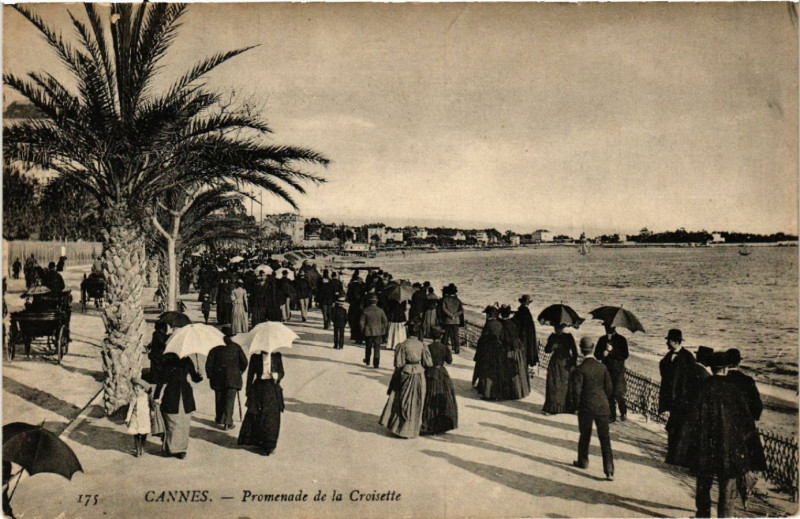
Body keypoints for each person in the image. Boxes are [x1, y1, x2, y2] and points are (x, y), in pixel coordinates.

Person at [671, 351, 767, 518]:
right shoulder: (734, 391)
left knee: (703, 485)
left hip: (705, 448)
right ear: (726, 368)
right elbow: (746, 423)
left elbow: (689, 419)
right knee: (727, 488)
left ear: (711, 368)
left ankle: (703, 515)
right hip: (729, 448)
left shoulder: (701, 388)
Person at [571, 336, 615, 480]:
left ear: (580, 349)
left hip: (586, 407)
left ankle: (583, 462)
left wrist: (576, 406)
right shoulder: (602, 367)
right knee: (605, 438)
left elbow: (576, 392)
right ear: (593, 347)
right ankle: (609, 470)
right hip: (602, 406)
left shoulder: (580, 369)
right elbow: (609, 389)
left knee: (585, 435)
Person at [726, 348, 764, 509]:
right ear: (739, 362)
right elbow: (758, 407)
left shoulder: (723, 380)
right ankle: (745, 488)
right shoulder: (748, 381)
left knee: (729, 467)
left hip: (727, 427)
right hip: (745, 428)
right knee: (751, 462)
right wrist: (752, 418)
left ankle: (731, 499)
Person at [379, 333, 433, 438]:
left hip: (406, 372)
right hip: (419, 373)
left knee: (402, 399)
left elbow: (398, 363)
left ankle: (401, 427)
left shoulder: (402, 345)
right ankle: (413, 429)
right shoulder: (422, 345)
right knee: (417, 399)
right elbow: (428, 363)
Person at [658, 328, 698, 464]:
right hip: (671, 398)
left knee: (679, 427)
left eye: (668, 340)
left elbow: (692, 379)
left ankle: (678, 456)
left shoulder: (688, 357)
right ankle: (672, 455)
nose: (666, 343)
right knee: (672, 427)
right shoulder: (668, 356)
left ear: (675, 342)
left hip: (682, 399)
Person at [155, 354, 203, 459]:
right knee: (184, 423)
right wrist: (199, 375)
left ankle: (169, 449)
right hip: (186, 395)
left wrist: (156, 397)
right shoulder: (187, 360)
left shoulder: (168, 361)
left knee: (171, 423)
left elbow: (161, 380)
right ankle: (181, 450)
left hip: (172, 394)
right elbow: (195, 378)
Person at [238, 350, 285, 455]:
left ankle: (270, 445)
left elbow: (282, 372)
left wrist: (277, 376)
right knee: (258, 415)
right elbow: (250, 375)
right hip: (259, 389)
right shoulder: (255, 358)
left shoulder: (277, 357)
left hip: (272, 389)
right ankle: (259, 442)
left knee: (272, 417)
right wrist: (248, 391)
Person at [205, 325, 249, 430]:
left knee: (219, 399)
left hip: (218, 378)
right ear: (231, 336)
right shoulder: (236, 347)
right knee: (229, 400)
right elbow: (244, 362)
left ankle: (219, 418)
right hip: (233, 378)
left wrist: (210, 376)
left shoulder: (215, 348)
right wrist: (239, 372)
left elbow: (209, 364)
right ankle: (227, 422)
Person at [420, 327, 458, 435]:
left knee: (430, 396)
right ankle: (442, 424)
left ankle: (429, 424)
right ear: (441, 336)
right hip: (442, 372)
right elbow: (449, 361)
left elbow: (423, 363)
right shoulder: (444, 347)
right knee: (444, 396)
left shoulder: (428, 347)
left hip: (431, 373)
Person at [593, 325, 629, 422]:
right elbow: (597, 355)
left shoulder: (621, 340)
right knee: (608, 393)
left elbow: (625, 355)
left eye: (609, 328)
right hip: (606, 370)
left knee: (618, 392)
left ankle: (623, 411)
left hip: (618, 371)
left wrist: (612, 351)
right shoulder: (602, 339)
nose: (607, 330)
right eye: (606, 328)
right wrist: (603, 354)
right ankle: (612, 416)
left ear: (614, 328)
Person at [542, 324, 578, 415]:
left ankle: (567, 407)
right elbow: (546, 350)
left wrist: (573, 364)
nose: (557, 329)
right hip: (555, 364)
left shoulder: (568, 337)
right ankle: (553, 408)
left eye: (560, 327)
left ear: (563, 327)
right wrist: (552, 346)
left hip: (566, 363)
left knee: (566, 385)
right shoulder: (552, 337)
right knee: (553, 384)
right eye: (556, 327)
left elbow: (575, 351)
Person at [500, 305, 530, 399]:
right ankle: (520, 392)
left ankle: (510, 393)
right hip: (517, 348)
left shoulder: (502, 324)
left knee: (507, 370)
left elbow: (503, 339)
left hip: (509, 349)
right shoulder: (513, 323)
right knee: (518, 371)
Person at [126, 377, 152, 457]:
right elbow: (130, 408)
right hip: (135, 418)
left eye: (138, 390)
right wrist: (128, 419)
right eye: (135, 390)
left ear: (143, 389)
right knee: (136, 434)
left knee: (144, 433)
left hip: (144, 419)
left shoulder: (147, 397)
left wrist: (151, 416)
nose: (136, 392)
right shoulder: (134, 398)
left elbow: (151, 407)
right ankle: (137, 449)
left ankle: (142, 448)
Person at [360, 295, 388, 368]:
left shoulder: (365, 310)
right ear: (376, 302)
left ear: (369, 302)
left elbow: (361, 323)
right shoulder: (380, 310)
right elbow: (385, 321)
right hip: (378, 331)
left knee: (368, 346)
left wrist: (363, 331)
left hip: (368, 331)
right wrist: (381, 328)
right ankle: (376, 363)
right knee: (377, 348)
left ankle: (367, 360)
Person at [512, 294, 538, 370]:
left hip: (521, 337)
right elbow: (528, 327)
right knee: (525, 356)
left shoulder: (520, 311)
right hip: (525, 338)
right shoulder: (526, 311)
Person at [439, 284, 463, 353]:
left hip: (448, 320)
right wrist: (455, 315)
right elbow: (461, 310)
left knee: (446, 335)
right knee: (456, 335)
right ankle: (457, 349)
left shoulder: (445, 299)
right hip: (456, 320)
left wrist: (450, 315)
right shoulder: (458, 300)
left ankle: (443, 348)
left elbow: (444, 309)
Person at [146, 322, 170, 388]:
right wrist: (168, 337)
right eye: (165, 328)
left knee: (156, 368)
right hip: (158, 356)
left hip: (156, 355)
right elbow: (162, 344)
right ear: (161, 329)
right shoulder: (158, 336)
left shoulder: (156, 334)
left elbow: (151, 344)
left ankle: (156, 378)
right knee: (158, 368)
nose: (166, 330)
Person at [346, 271, 366, 344]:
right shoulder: (363, 286)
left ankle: (355, 337)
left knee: (353, 322)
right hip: (361, 306)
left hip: (353, 306)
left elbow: (348, 297)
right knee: (361, 322)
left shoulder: (351, 285)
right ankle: (361, 337)